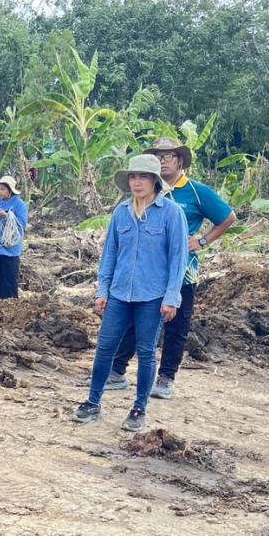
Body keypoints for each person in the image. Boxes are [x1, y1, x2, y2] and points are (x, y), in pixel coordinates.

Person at [108, 136, 236, 397]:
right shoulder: (145, 190)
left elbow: (228, 217)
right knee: (134, 320)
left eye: (168, 156)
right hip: (144, 271)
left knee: (176, 325)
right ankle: (117, 370)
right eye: (158, 156)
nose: (163, 161)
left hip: (182, 272)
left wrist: (201, 241)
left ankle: (166, 377)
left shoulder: (195, 192)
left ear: (180, 161)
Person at [74, 154, 188, 431]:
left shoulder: (172, 213)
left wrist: (172, 297)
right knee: (104, 349)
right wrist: (103, 290)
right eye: (133, 177)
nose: (137, 182)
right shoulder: (121, 212)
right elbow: (110, 254)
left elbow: (178, 259)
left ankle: (139, 408)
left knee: (147, 352)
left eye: (143, 177)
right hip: (119, 294)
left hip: (152, 297)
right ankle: (93, 401)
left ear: (155, 181)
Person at [0, 175, 30, 299]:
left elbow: (22, 225)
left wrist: (7, 216)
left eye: (3, 189)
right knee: (0, 282)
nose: (0, 191)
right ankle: (2, 305)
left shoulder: (20, 205)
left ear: (10, 190)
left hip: (10, 251)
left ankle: (12, 308)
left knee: (10, 283)